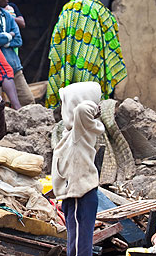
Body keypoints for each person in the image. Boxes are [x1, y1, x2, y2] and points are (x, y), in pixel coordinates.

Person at [46, 0, 127, 109]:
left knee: (73, 90)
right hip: (92, 58)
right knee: (92, 90)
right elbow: (112, 24)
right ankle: (94, 115)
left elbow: (57, 37)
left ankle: (72, 116)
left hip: (70, 59)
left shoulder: (67, 9)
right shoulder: (97, 8)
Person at [51, 81, 105, 256]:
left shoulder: (80, 130)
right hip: (76, 196)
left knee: (78, 248)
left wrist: (93, 105)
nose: (61, 107)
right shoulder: (73, 132)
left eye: (65, 103)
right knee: (76, 243)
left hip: (79, 196)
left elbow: (83, 110)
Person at [0, 0, 35, 106]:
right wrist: (9, 36)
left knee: (28, 100)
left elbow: (18, 40)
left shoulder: (8, 15)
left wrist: (4, 39)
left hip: (14, 66)